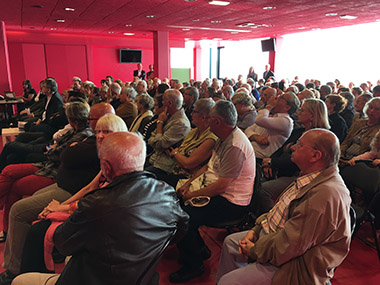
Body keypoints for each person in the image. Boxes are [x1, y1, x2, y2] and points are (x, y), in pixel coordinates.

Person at [13, 132, 189, 285]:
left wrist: (60, 214)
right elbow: (180, 229)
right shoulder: (167, 193)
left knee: (19, 281)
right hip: (141, 278)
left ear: (106, 167)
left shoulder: (97, 203)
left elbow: (63, 244)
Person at [216, 129, 351, 285]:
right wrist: (256, 230)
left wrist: (254, 250)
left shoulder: (324, 194)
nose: (293, 147)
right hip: (276, 239)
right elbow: (279, 211)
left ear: (315, 156)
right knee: (231, 243)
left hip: (297, 262)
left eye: (299, 145)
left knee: (228, 281)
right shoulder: (311, 176)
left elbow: (288, 247)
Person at [0, 103, 114, 284]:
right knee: (13, 171)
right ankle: (20, 262)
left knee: (19, 210)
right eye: (98, 128)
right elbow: (59, 151)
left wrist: (64, 206)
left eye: (105, 130)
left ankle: (14, 270)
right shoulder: (93, 141)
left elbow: (64, 156)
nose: (100, 133)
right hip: (63, 185)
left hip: (65, 189)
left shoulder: (96, 143)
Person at [169, 100, 256, 283]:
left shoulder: (234, 145)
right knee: (177, 205)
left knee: (184, 217)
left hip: (232, 202)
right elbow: (209, 167)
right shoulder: (223, 137)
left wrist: (192, 195)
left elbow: (221, 187)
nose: (206, 121)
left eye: (209, 118)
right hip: (220, 192)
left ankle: (194, 266)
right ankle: (199, 249)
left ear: (217, 122)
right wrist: (188, 184)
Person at [0, 101, 93, 243]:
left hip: (53, 172)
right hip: (47, 164)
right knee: (8, 170)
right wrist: (52, 149)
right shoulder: (74, 132)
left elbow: (57, 153)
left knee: (13, 182)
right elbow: (55, 148)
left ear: (71, 119)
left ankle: (7, 231)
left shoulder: (83, 135)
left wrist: (51, 149)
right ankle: (7, 230)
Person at [257, 98, 330, 214]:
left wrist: (272, 163)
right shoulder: (299, 131)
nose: (298, 113)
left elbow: (298, 163)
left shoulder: (321, 137)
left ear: (312, 116)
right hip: (284, 169)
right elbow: (281, 149)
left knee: (264, 189)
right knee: (256, 177)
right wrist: (268, 161)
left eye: (302, 110)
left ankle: (271, 219)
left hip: (300, 176)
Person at [146, 89, 191, 177]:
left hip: (165, 167)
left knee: (138, 178)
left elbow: (159, 144)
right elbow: (151, 138)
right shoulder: (168, 116)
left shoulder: (180, 123)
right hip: (155, 159)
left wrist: (160, 123)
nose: (161, 102)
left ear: (170, 103)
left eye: (163, 100)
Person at [245, 92, 299, 160]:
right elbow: (248, 129)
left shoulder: (286, 121)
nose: (276, 98)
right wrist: (255, 136)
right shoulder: (270, 116)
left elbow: (259, 120)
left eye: (281, 97)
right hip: (250, 153)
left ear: (287, 107)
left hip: (261, 159)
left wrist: (269, 106)